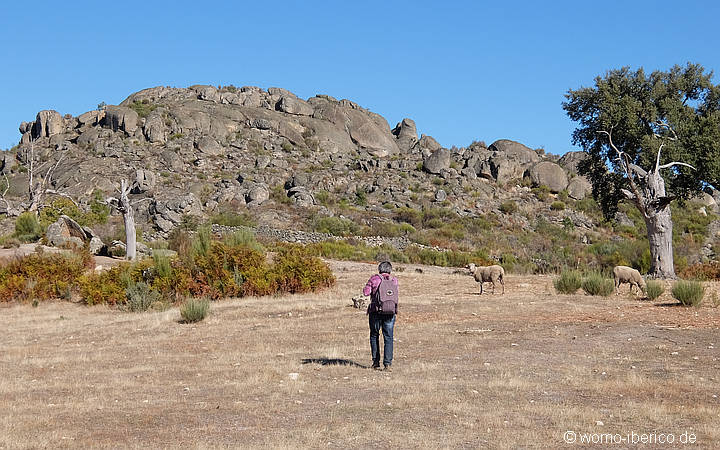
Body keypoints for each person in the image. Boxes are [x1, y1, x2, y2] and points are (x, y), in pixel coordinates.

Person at [363, 261, 398, 371]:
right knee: (388, 337)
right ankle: (387, 364)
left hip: (375, 311)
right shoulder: (394, 280)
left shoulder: (374, 279)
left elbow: (365, 292)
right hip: (390, 312)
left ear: (379, 269)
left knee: (374, 335)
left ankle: (376, 362)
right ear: (390, 270)